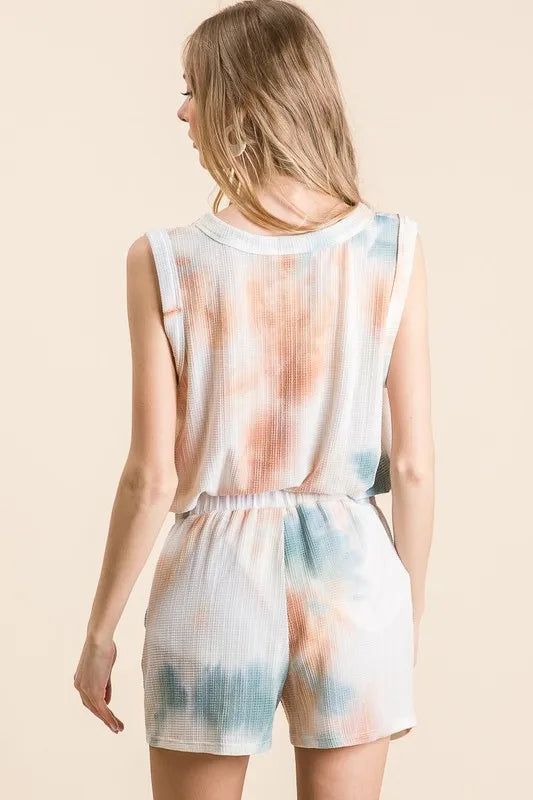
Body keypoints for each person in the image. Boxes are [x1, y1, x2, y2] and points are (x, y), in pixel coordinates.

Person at [73, 1, 434, 798]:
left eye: (193, 89)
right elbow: (411, 464)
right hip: (353, 581)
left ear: (241, 103)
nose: (182, 112)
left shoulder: (165, 261)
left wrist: (100, 631)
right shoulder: (391, 249)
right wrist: (402, 618)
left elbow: (151, 476)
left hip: (213, 575)